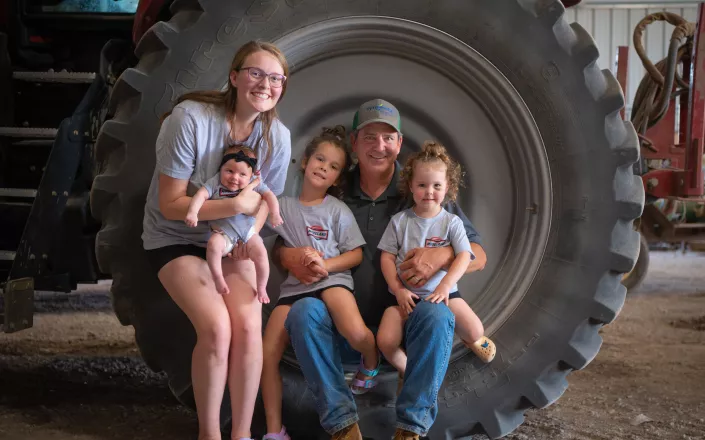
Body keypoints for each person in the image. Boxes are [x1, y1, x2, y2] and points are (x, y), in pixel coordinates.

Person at [278, 99, 487, 440]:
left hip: (406, 327)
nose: (379, 146)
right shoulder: (334, 187)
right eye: (370, 137)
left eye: (388, 138)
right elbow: (285, 239)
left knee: (439, 316)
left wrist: (442, 256)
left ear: (399, 143)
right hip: (345, 328)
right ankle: (342, 424)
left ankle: (411, 429)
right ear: (355, 143)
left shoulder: (423, 190)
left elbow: (477, 254)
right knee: (303, 312)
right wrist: (290, 259)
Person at [141, 41, 291, 440]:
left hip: (232, 239)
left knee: (246, 326)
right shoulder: (190, 119)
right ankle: (209, 434)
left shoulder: (277, 135)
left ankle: (241, 435)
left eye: (275, 78)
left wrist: (251, 230)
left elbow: (263, 203)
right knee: (218, 328)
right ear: (234, 77)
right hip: (177, 237)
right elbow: (172, 205)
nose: (265, 84)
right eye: (256, 73)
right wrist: (234, 208)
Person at [260, 126, 379, 440]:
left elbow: (354, 254)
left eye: (333, 166)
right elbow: (262, 234)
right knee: (267, 354)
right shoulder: (282, 206)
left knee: (355, 332)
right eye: (320, 159)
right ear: (304, 162)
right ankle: (275, 430)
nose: (324, 167)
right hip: (294, 290)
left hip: (332, 281)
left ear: (338, 178)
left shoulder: (336, 211)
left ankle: (371, 359)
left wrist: (325, 265)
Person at [377, 141, 496, 388]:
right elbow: (386, 257)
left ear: (447, 188)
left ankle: (468, 339)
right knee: (385, 341)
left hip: (444, 294)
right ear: (411, 186)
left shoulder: (451, 222)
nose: (429, 192)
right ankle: (408, 370)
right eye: (422, 185)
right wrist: (398, 289)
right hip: (404, 298)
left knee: (475, 330)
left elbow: (465, 255)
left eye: (436, 186)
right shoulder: (400, 221)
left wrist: (445, 285)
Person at [185, 145, 283, 300]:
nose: (234, 178)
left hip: (248, 232)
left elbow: (270, 196)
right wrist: (193, 213)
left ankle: (262, 287)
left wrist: (275, 214)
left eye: (242, 174)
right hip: (223, 234)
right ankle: (218, 278)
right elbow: (200, 195)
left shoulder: (255, 183)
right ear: (221, 168)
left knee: (261, 254)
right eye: (229, 171)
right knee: (213, 245)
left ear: (251, 175)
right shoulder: (216, 182)